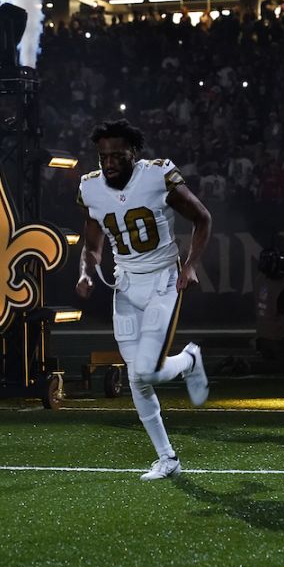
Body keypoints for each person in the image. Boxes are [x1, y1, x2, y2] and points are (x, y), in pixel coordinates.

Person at [75, 119, 213, 481]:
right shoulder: (89, 188)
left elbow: (202, 218)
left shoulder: (157, 175)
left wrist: (192, 264)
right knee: (138, 379)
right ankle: (167, 458)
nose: (109, 162)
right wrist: (86, 272)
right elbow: (91, 243)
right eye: (103, 155)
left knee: (146, 371)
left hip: (164, 279)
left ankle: (188, 359)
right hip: (125, 284)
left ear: (134, 152)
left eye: (117, 154)